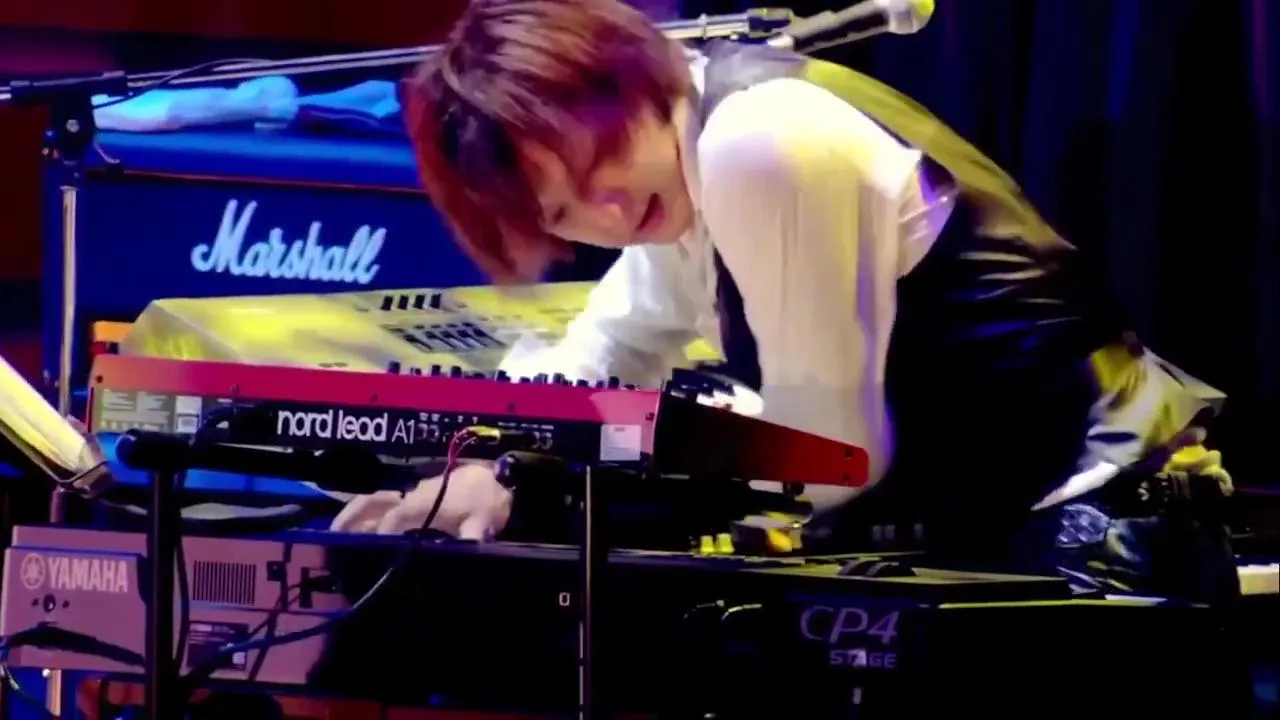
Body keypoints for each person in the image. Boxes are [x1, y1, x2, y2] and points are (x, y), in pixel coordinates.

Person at [334, 0, 1237, 605]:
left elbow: (830, 458)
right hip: (1011, 533)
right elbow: (608, 350)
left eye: (599, 160)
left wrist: (551, 479)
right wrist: (485, 460)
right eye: (563, 211)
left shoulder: (756, 140)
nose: (608, 212)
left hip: (1089, 544)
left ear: (630, 84)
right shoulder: (678, 166)